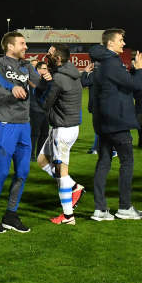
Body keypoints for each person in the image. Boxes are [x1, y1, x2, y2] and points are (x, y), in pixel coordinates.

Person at [88, 29, 142, 222]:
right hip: (116, 122)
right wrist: (141, 69)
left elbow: (123, 84)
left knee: (104, 162)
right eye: (120, 40)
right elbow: (136, 86)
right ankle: (124, 207)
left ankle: (100, 209)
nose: (123, 43)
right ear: (109, 44)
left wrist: (135, 70)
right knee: (127, 162)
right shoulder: (112, 63)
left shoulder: (104, 63)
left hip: (103, 122)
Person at [0, 31, 38, 233]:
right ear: (10, 46)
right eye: (22, 43)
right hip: (6, 123)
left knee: (22, 172)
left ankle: (11, 214)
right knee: (3, 172)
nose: (26, 47)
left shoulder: (27, 66)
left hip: (25, 124)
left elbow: (39, 84)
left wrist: (48, 77)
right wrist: (12, 87)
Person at [37, 45, 86, 225]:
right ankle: (74, 187)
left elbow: (44, 104)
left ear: (57, 59)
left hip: (63, 130)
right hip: (66, 127)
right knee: (42, 160)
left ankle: (68, 216)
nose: (46, 56)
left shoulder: (58, 79)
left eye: (49, 54)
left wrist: (44, 82)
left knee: (61, 172)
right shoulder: (72, 73)